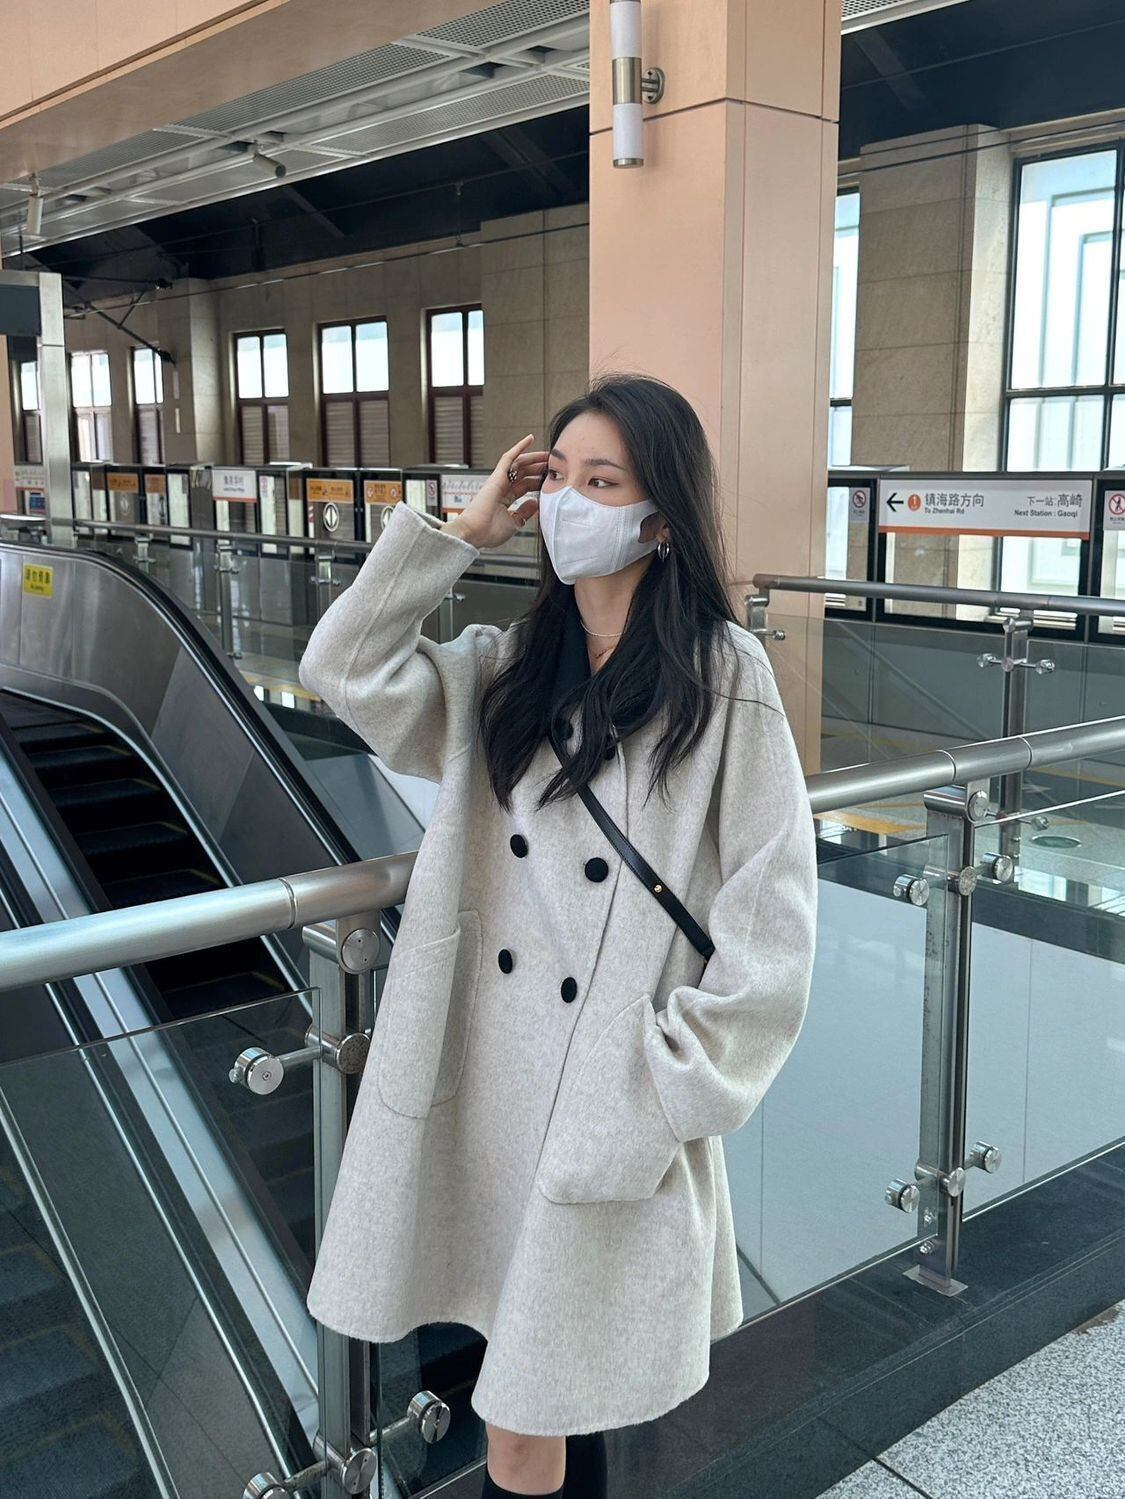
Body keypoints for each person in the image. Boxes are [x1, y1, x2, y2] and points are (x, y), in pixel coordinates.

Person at [297, 372, 819, 1499]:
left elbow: (772, 925)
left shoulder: (724, 680)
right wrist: (458, 533)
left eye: (603, 482)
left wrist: (661, 1086)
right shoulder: (502, 667)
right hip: (483, 1089)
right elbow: (340, 670)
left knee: (530, 1417)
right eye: (559, 479)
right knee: (535, 1404)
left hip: (599, 1100)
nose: (572, 505)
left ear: (662, 517)